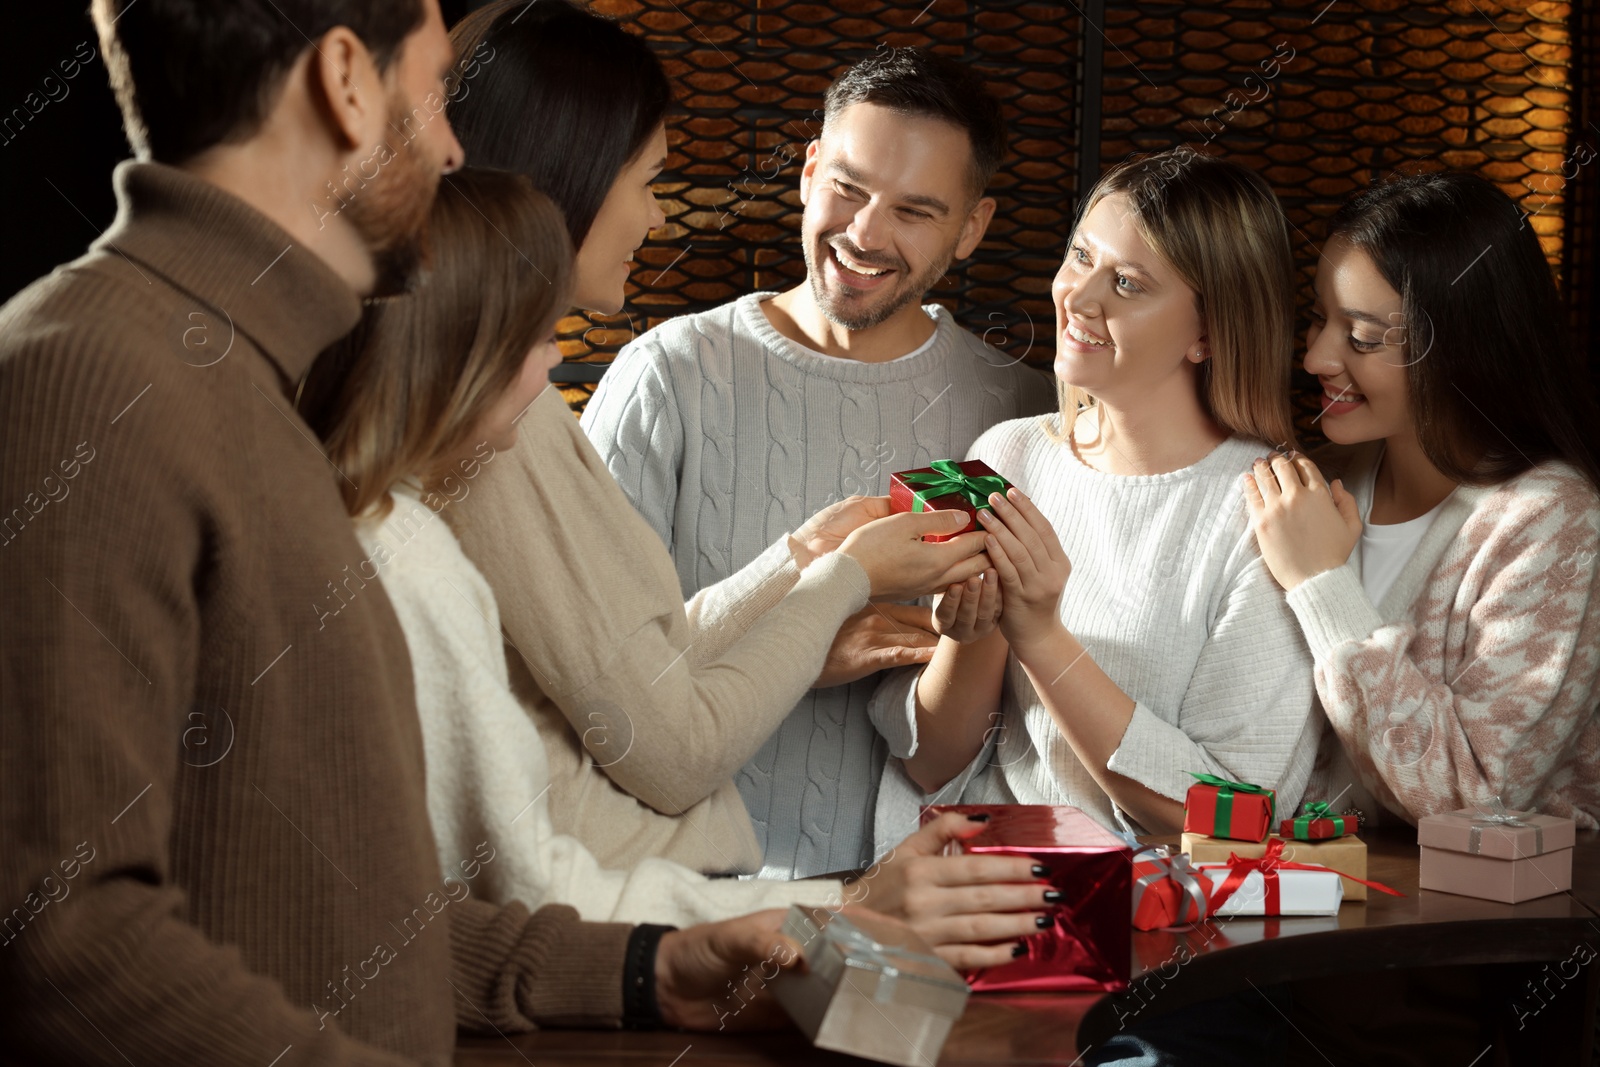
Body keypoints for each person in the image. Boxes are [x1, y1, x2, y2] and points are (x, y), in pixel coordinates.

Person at [0, 1, 839, 1059]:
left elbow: (317, 921)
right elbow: (64, 942)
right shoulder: (85, 378)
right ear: (347, 82)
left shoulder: (253, 390)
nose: (451, 146)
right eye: (436, 93)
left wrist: (641, 971)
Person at [304, 168, 1053, 968]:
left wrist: (803, 558)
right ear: (456, 351)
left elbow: (642, 664)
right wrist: (844, 900)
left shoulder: (387, 523)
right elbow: (549, 874)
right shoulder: (411, 563)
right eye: (535, 338)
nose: (552, 365)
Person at [575, 43, 1058, 879]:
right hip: (682, 900)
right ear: (806, 172)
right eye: (848, 187)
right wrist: (798, 648)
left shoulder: (1020, 411)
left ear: (972, 228)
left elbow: (1022, 711)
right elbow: (587, 686)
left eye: (915, 210)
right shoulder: (667, 378)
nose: (865, 234)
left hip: (925, 910)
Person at [871, 149, 1319, 842]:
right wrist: (973, 633)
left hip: (1168, 925)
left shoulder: (1270, 511)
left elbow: (1239, 814)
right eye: (1080, 257)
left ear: (1206, 332)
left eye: (1129, 284)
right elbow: (932, 764)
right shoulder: (1006, 456)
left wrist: (1042, 635)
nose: (1077, 298)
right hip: (988, 893)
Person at [1243, 171, 1600, 828]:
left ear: (1463, 344)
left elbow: (1474, 801)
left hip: (1471, 920)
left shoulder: (1554, 522)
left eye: (1361, 337)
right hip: (1295, 890)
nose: (1316, 356)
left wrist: (1323, 586)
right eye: (1320, 318)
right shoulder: (1311, 483)